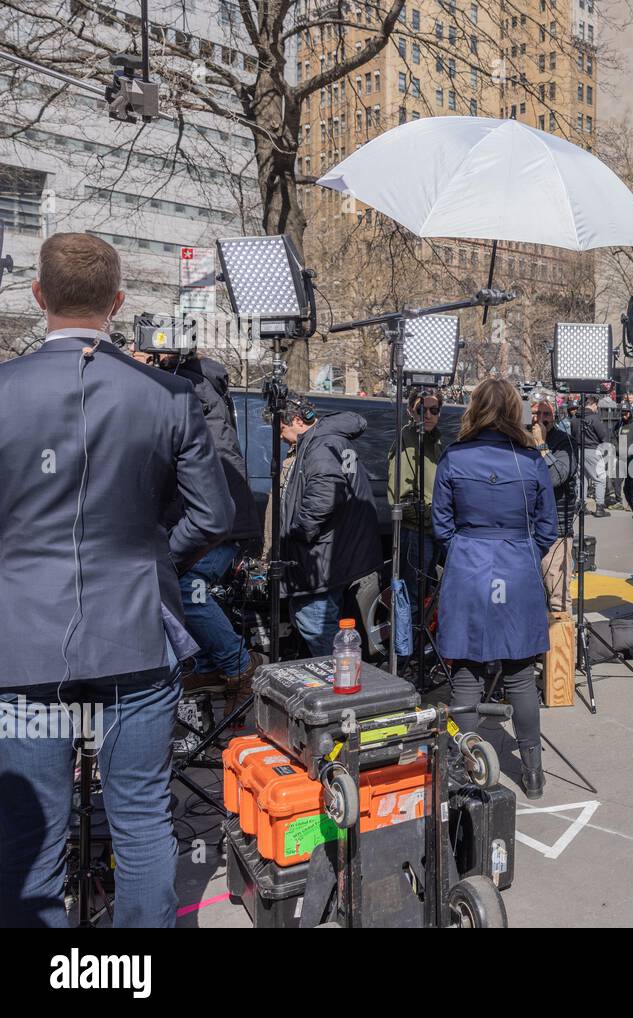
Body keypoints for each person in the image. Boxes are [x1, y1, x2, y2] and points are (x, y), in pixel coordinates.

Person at [0, 233, 233, 927]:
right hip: (134, 636)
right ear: (117, 302)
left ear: (39, 297)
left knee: (29, 837)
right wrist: (158, 557)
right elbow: (214, 513)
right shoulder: (164, 394)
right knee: (138, 821)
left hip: (23, 646)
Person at [432, 378, 557, 799]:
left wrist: (468, 550)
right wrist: (519, 552)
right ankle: (533, 772)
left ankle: (465, 770)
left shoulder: (455, 456)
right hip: (516, 565)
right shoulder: (531, 459)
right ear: (514, 410)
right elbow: (548, 528)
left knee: (466, 672)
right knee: (521, 673)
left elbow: (441, 525)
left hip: (468, 565)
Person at [144, 347, 265, 708]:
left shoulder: (188, 387)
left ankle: (238, 665)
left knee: (183, 586)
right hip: (220, 520)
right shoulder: (201, 385)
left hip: (222, 526)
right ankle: (214, 664)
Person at [273, 394, 383, 657]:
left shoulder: (321, 445)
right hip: (331, 549)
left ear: (298, 421)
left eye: (282, 429)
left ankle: (336, 681)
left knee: (315, 622)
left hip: (321, 554)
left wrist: (298, 532)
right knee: (317, 618)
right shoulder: (328, 440)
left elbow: (324, 496)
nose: (280, 436)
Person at [387, 388, 445, 654]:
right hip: (417, 531)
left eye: (435, 410)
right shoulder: (406, 439)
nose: (429, 415)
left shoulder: (439, 440)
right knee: (411, 596)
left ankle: (427, 649)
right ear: (411, 410)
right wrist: (433, 515)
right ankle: (408, 656)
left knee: (432, 594)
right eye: (423, 409)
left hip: (438, 529)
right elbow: (400, 497)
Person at [530, 397, 578, 613]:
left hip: (556, 532)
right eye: (536, 414)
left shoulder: (565, 442)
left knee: (557, 598)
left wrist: (541, 445)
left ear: (555, 416)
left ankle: (562, 647)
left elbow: (555, 476)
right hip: (525, 531)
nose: (541, 419)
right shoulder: (520, 440)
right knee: (530, 598)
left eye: (546, 414)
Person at [574, 394, 610, 518]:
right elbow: (603, 435)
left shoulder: (575, 418)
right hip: (592, 450)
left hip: (578, 450)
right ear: (593, 404)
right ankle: (600, 507)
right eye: (597, 406)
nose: (597, 409)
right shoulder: (594, 418)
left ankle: (580, 505)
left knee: (581, 478)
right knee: (600, 478)